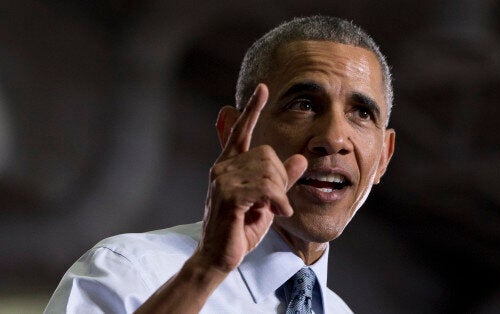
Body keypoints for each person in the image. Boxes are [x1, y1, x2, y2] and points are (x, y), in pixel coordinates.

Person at [45, 15, 395, 313]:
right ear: (234, 132)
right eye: (303, 104)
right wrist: (205, 270)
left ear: (383, 157)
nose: (334, 138)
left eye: (362, 113)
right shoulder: (129, 270)